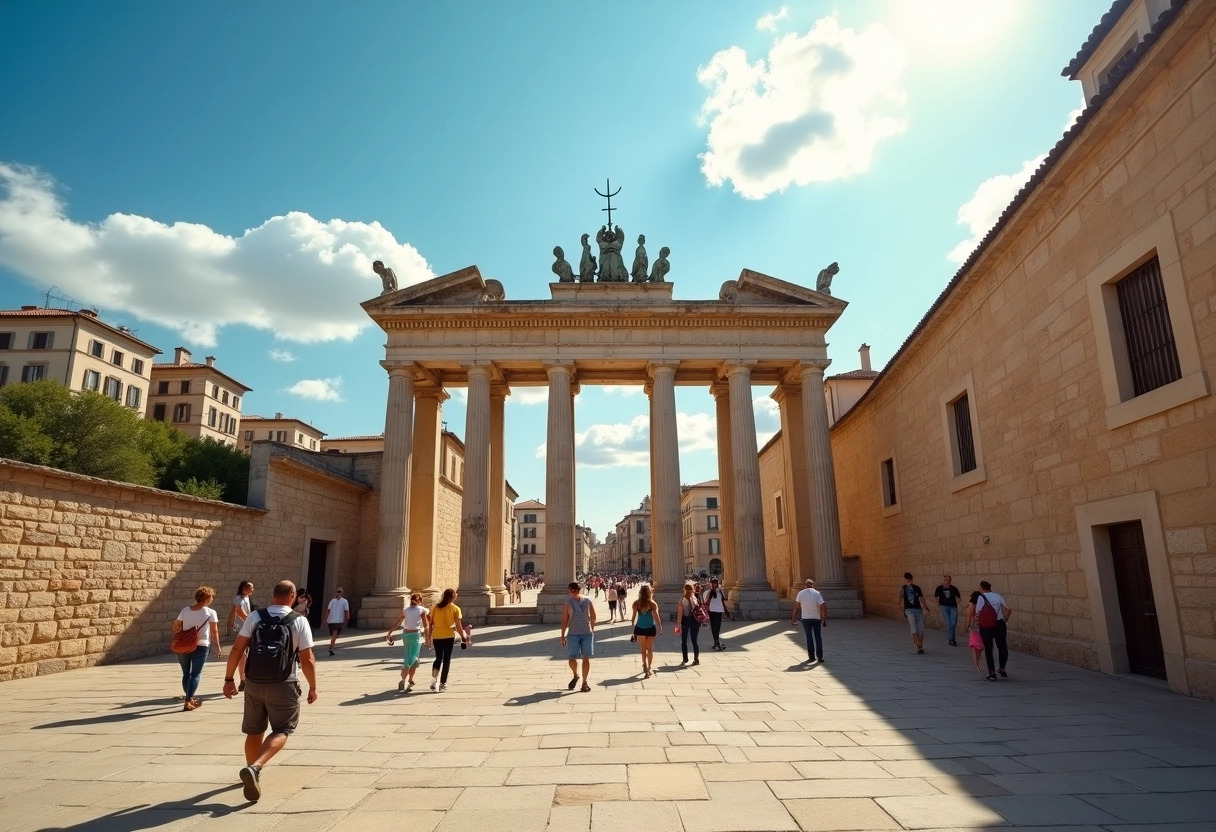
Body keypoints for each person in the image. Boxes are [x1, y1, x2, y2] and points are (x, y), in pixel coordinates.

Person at [223, 580, 317, 803]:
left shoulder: (255, 617)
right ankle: (255, 767)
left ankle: (251, 769)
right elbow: (307, 659)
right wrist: (313, 686)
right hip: (284, 683)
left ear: (273, 595)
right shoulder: (299, 620)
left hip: (254, 682)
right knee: (282, 729)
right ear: (292, 596)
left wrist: (229, 679)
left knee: (254, 730)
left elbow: (238, 648)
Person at [173, 586, 222, 710]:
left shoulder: (185, 610)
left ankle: (188, 695)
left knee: (186, 673)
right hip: (201, 645)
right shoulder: (210, 612)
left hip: (184, 645)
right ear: (207, 598)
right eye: (211, 596)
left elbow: (176, 625)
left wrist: (181, 632)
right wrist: (218, 646)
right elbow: (214, 632)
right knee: (195, 673)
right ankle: (189, 700)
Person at [966, 580, 1012, 681]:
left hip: (986, 626)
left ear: (982, 588)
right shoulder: (998, 596)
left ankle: (992, 673)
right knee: (1002, 646)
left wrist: (976, 623)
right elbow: (1008, 609)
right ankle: (1002, 668)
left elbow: (978, 612)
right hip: (999, 624)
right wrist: (1006, 619)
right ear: (990, 587)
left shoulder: (981, 598)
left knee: (988, 648)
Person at [386, 593, 430, 692]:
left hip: (406, 635)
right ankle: (403, 679)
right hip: (415, 635)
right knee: (413, 658)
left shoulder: (406, 610)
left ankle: (410, 679)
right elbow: (426, 625)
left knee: (410, 657)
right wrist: (428, 638)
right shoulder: (422, 610)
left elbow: (397, 622)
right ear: (420, 601)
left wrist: (389, 633)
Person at [428, 588, 468, 691]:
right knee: (446, 660)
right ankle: (442, 684)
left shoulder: (436, 607)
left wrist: (429, 637)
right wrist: (463, 637)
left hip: (437, 636)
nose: (456, 595)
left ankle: (434, 680)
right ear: (452, 597)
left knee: (438, 658)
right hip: (449, 636)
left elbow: (430, 623)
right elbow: (459, 626)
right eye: (455, 594)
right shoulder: (455, 609)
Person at [560, 581, 596, 692]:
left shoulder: (568, 602)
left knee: (573, 658)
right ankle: (579, 678)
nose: (572, 592)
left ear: (570, 590)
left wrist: (562, 635)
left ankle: (582, 680)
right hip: (584, 633)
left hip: (574, 634)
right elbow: (594, 617)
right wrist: (592, 629)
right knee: (584, 658)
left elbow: (564, 620)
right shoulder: (587, 600)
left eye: (571, 590)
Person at [791, 578, 827, 663]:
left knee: (809, 637)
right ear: (813, 585)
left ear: (805, 585)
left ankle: (811, 657)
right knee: (818, 637)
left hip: (806, 619)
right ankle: (820, 657)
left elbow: (797, 607)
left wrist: (793, 618)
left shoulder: (800, 593)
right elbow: (822, 605)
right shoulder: (817, 593)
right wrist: (824, 616)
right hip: (816, 618)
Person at [631, 584, 662, 678]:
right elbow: (656, 617)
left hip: (640, 628)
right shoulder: (652, 604)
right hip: (650, 628)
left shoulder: (636, 603)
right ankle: (649, 668)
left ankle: (644, 663)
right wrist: (660, 627)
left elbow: (633, 617)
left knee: (643, 649)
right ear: (649, 592)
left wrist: (632, 625)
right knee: (650, 649)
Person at [227, 580, 254, 689]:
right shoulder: (238, 599)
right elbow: (240, 612)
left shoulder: (246, 598)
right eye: (251, 588)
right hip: (240, 629)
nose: (253, 589)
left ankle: (244, 678)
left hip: (245, 628)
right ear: (244, 589)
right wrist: (251, 622)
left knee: (245, 654)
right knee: (242, 654)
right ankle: (242, 679)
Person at [675, 582, 703, 666]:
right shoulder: (695, 598)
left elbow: (680, 613)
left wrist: (678, 623)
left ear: (684, 590)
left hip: (685, 621)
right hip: (695, 621)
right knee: (695, 641)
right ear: (692, 590)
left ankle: (685, 658)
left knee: (684, 641)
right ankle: (696, 659)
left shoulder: (682, 600)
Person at [899, 572, 927, 654]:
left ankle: (920, 645)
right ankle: (917, 643)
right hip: (909, 610)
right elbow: (900, 600)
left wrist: (926, 607)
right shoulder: (903, 588)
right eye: (907, 579)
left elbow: (921, 598)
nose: (909, 580)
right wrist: (903, 610)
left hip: (918, 610)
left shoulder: (917, 588)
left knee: (921, 628)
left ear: (912, 579)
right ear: (905, 580)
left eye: (910, 578)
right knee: (913, 626)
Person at [933, 575, 963, 646]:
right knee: (948, 623)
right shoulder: (939, 588)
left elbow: (958, 597)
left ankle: (951, 638)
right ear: (943, 580)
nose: (947, 581)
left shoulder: (954, 588)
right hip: (944, 607)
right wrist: (937, 603)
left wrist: (959, 604)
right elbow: (936, 596)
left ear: (950, 581)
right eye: (945, 579)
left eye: (948, 579)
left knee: (953, 623)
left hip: (953, 607)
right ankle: (951, 639)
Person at [702, 578, 732, 650]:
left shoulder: (720, 591)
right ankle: (716, 641)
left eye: (715, 582)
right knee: (713, 627)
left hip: (719, 610)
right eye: (713, 583)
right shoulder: (710, 592)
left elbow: (722, 601)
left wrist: (726, 611)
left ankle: (716, 641)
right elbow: (707, 601)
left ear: (717, 583)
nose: (714, 584)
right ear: (711, 583)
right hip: (712, 611)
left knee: (717, 627)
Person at [325, 588, 349, 656]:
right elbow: (328, 609)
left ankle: (331, 646)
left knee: (335, 635)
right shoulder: (332, 601)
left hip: (339, 620)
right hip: (332, 620)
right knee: (334, 634)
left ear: (341, 593)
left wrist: (347, 619)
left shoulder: (344, 601)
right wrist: (325, 618)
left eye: (339, 592)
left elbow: (347, 610)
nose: (338, 593)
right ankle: (331, 647)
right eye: (337, 592)